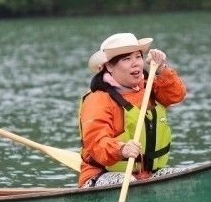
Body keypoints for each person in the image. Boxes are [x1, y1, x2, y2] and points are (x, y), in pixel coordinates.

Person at [79, 32, 187, 188]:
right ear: (109, 66)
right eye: (126, 59)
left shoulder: (150, 87)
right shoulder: (98, 100)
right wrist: (121, 149)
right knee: (130, 182)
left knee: (186, 174)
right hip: (101, 176)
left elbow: (176, 95)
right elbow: (96, 143)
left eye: (138, 57)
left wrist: (161, 69)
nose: (136, 63)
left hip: (147, 175)